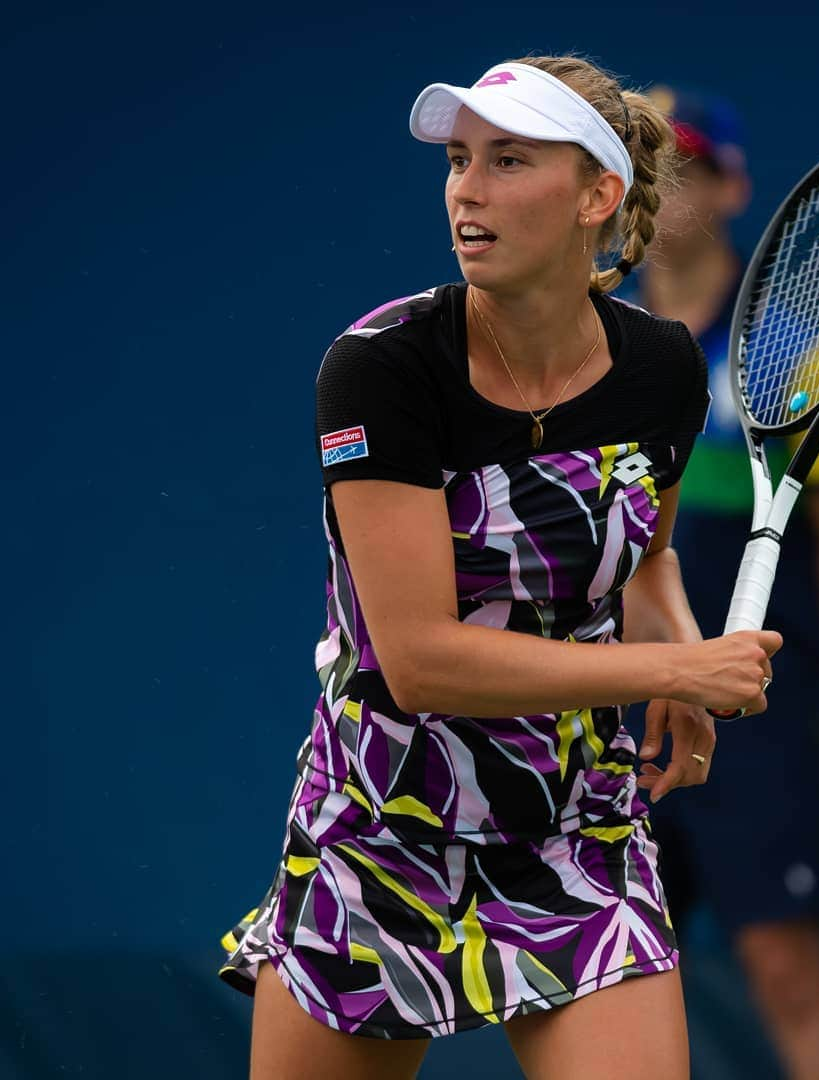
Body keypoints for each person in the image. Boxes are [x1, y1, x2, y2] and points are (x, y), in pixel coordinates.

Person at [218, 56, 782, 1080]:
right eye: (461, 160)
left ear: (597, 198)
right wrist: (669, 674)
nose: (467, 189)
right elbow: (424, 662)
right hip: (382, 830)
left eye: (509, 161)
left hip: (575, 831)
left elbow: (644, 561)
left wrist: (685, 652)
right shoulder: (381, 367)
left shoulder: (658, 368)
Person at [626, 88, 819, 1079]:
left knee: (783, 966)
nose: (662, 181)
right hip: (610, 711)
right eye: (642, 158)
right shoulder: (585, 342)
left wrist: (787, 681)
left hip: (749, 715)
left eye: (684, 160)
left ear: (733, 188)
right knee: (607, 981)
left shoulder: (787, 350)